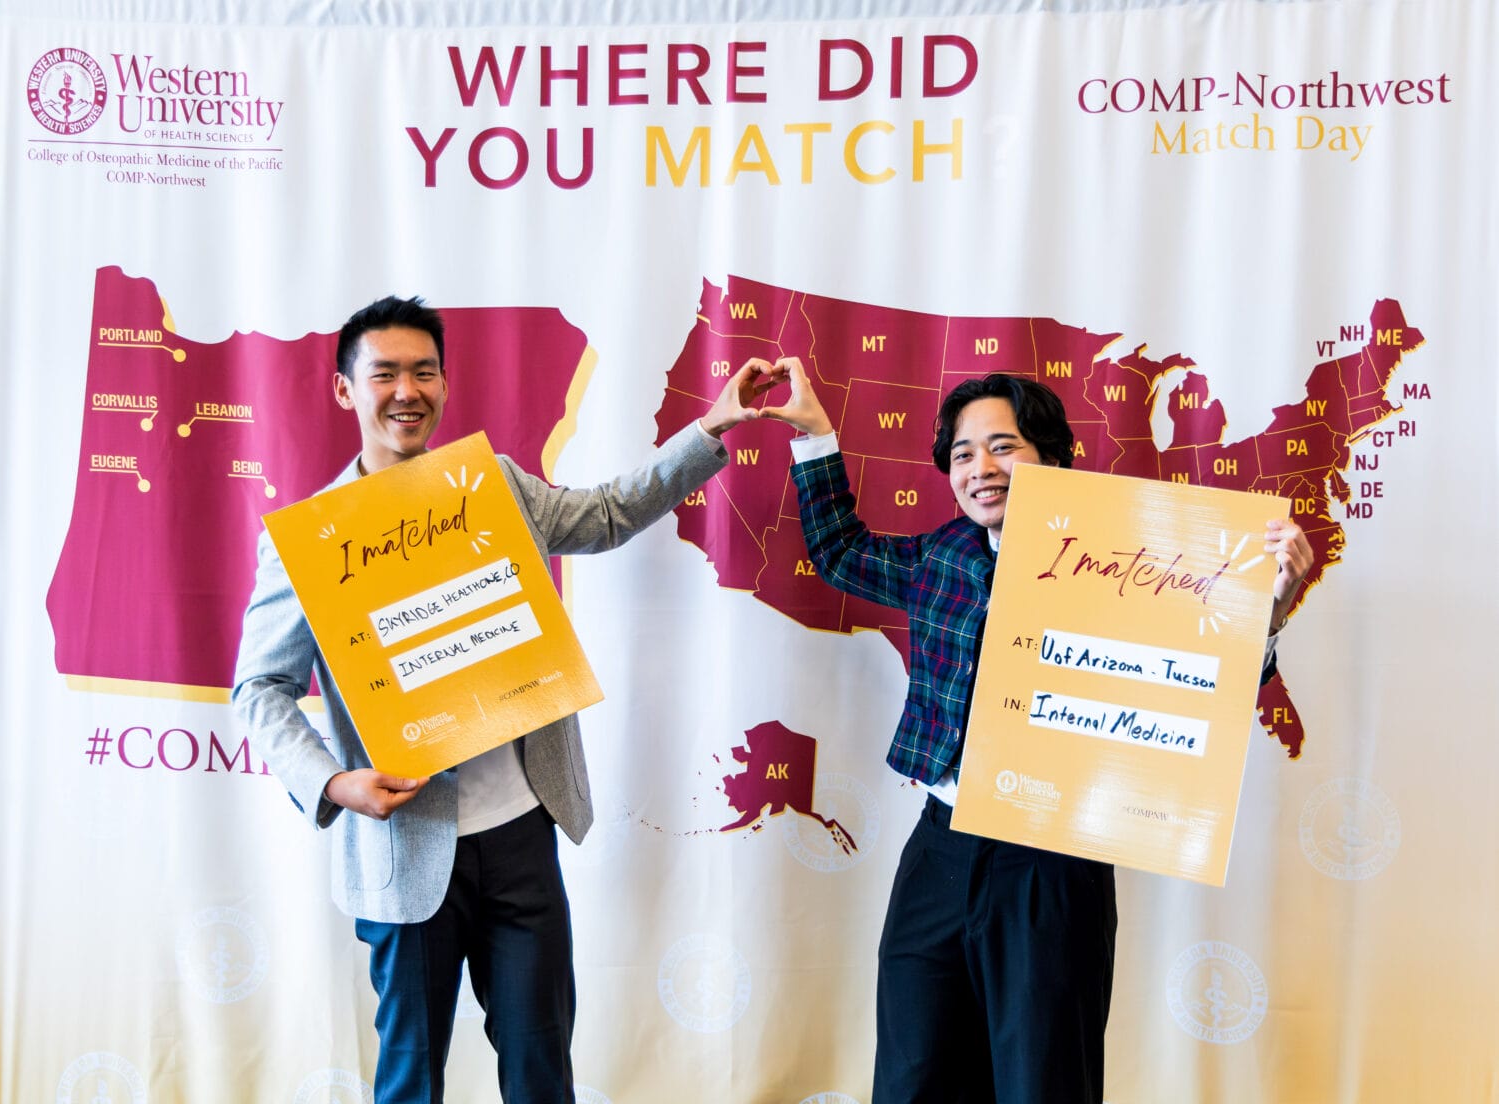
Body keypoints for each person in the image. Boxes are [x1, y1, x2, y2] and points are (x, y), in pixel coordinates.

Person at [232, 295, 780, 1103]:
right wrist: (332, 784)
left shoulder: (487, 488)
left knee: (540, 1068)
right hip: (403, 848)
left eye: (424, 371)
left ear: (446, 385)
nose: (406, 390)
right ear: (346, 390)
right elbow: (260, 689)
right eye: (383, 373)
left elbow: (603, 515)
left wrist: (712, 428)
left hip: (521, 834)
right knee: (410, 1078)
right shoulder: (308, 538)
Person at [758, 359, 1313, 1104]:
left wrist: (1268, 609)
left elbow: (1204, 681)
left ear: (1052, 458)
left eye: (1003, 447)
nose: (980, 468)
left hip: (1052, 865)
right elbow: (839, 552)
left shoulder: (1135, 567)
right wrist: (817, 436)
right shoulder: (941, 557)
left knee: (1041, 1080)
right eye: (962, 454)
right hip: (940, 849)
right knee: (913, 1072)